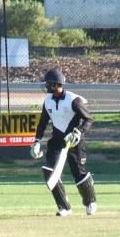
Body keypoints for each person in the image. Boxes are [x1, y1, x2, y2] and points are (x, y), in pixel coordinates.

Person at [30, 68, 97, 216]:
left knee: (78, 173)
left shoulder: (74, 100)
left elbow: (88, 119)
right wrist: (36, 141)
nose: (45, 86)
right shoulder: (47, 101)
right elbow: (42, 123)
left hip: (74, 142)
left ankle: (90, 202)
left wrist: (78, 132)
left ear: (55, 84)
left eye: (48, 83)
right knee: (49, 172)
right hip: (57, 141)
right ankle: (64, 207)